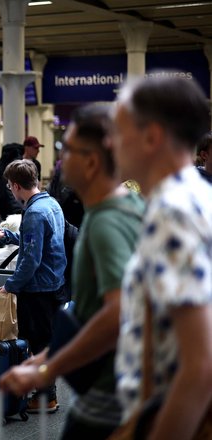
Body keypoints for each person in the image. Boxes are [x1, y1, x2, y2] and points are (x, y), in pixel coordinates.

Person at [0, 103, 145, 439]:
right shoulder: (119, 207)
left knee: (41, 336)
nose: (62, 162)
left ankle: (47, 395)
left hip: (112, 393)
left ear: (92, 160)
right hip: (115, 385)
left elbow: (116, 315)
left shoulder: (105, 221)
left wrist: (44, 370)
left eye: (69, 150)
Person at [110, 76, 212, 440]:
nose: (111, 143)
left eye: (119, 132)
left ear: (152, 137)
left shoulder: (172, 213)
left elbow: (200, 366)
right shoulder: (196, 197)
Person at [0, 159, 66, 413]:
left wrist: (11, 285)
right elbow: (42, 244)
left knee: (39, 343)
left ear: (14, 185)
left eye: (10, 187)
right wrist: (12, 237)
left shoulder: (34, 212)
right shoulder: (51, 203)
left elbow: (31, 259)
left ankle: (46, 397)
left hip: (38, 289)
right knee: (46, 341)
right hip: (55, 283)